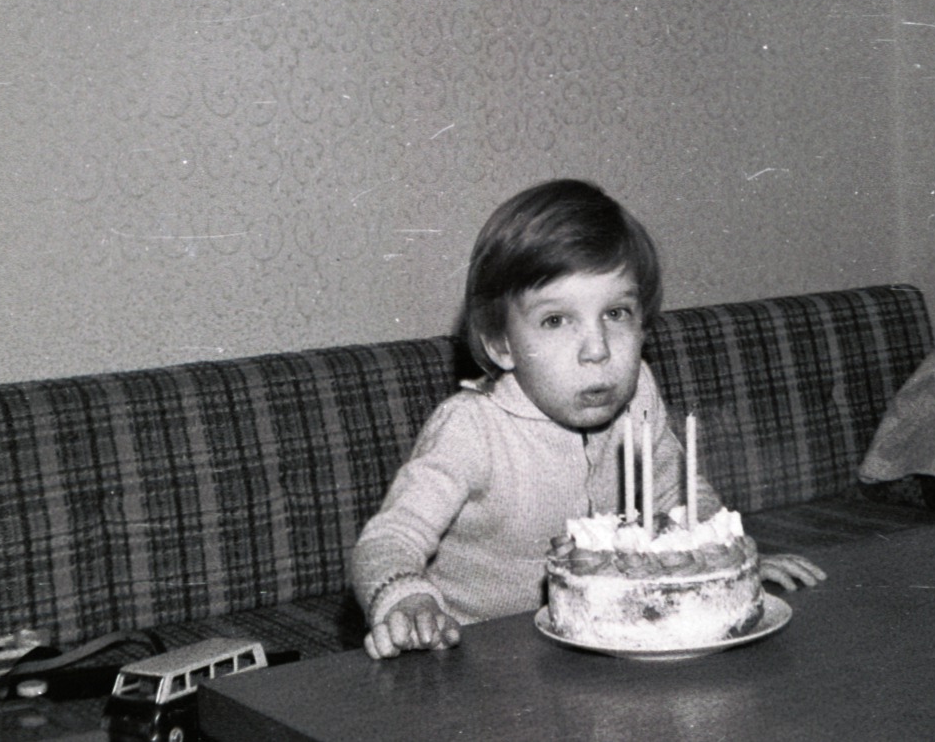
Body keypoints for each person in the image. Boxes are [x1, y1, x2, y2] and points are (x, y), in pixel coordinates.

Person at [351, 178, 826, 659]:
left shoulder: (639, 390)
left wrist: (720, 562)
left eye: (616, 313)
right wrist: (407, 600)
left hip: (601, 643)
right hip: (472, 654)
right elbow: (390, 538)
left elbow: (677, 493)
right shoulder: (471, 429)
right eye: (556, 320)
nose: (597, 349)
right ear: (501, 344)